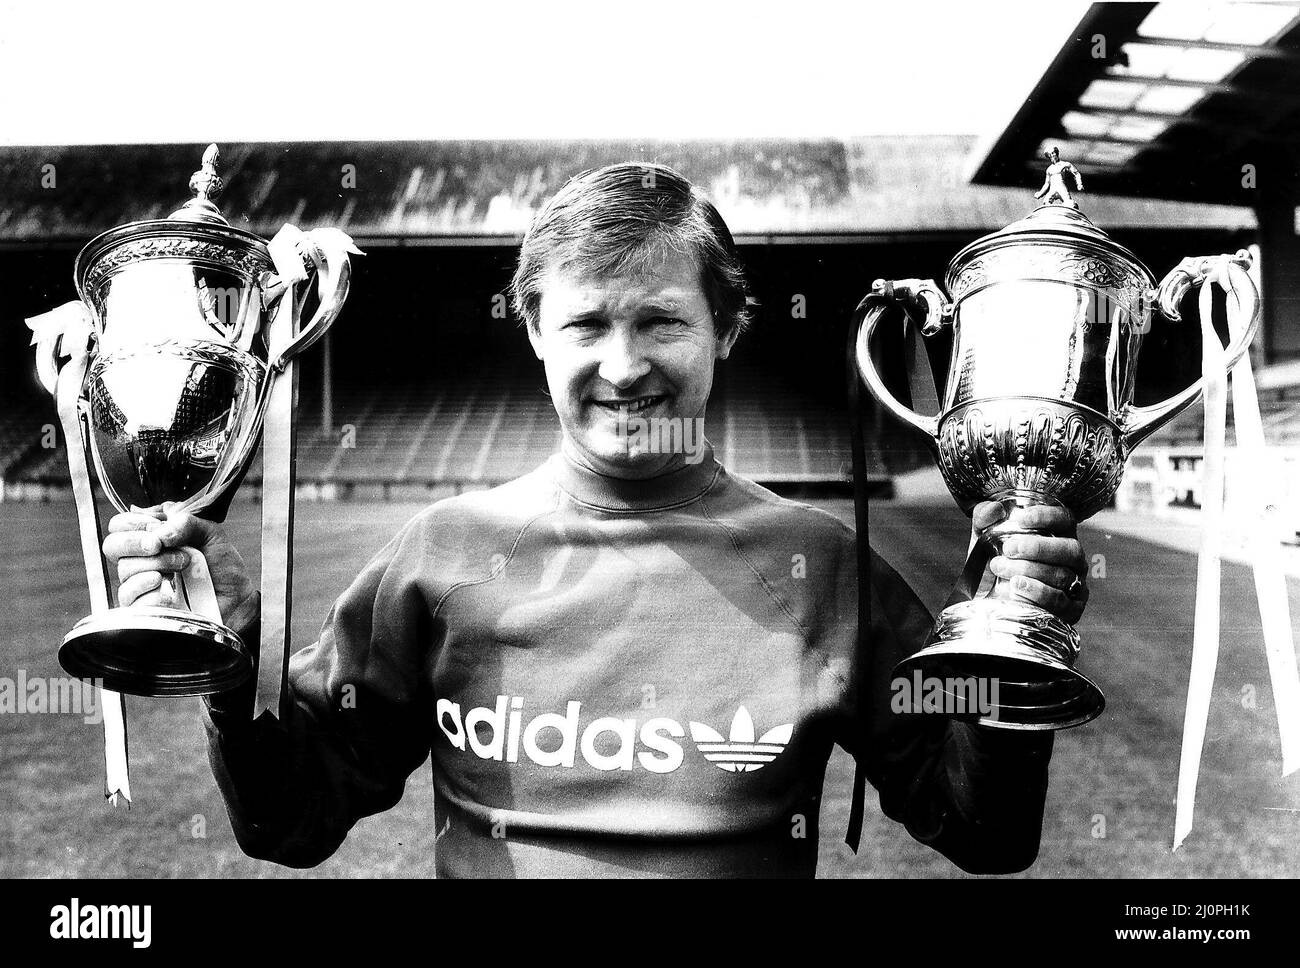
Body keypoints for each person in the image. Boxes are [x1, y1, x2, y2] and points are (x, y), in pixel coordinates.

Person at [102, 163, 1089, 878]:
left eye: (661, 319)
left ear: (726, 329)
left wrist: (1014, 635)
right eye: (585, 323)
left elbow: (984, 831)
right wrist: (230, 676)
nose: (624, 365)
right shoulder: (439, 559)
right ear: (533, 330)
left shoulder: (822, 567)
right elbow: (290, 822)